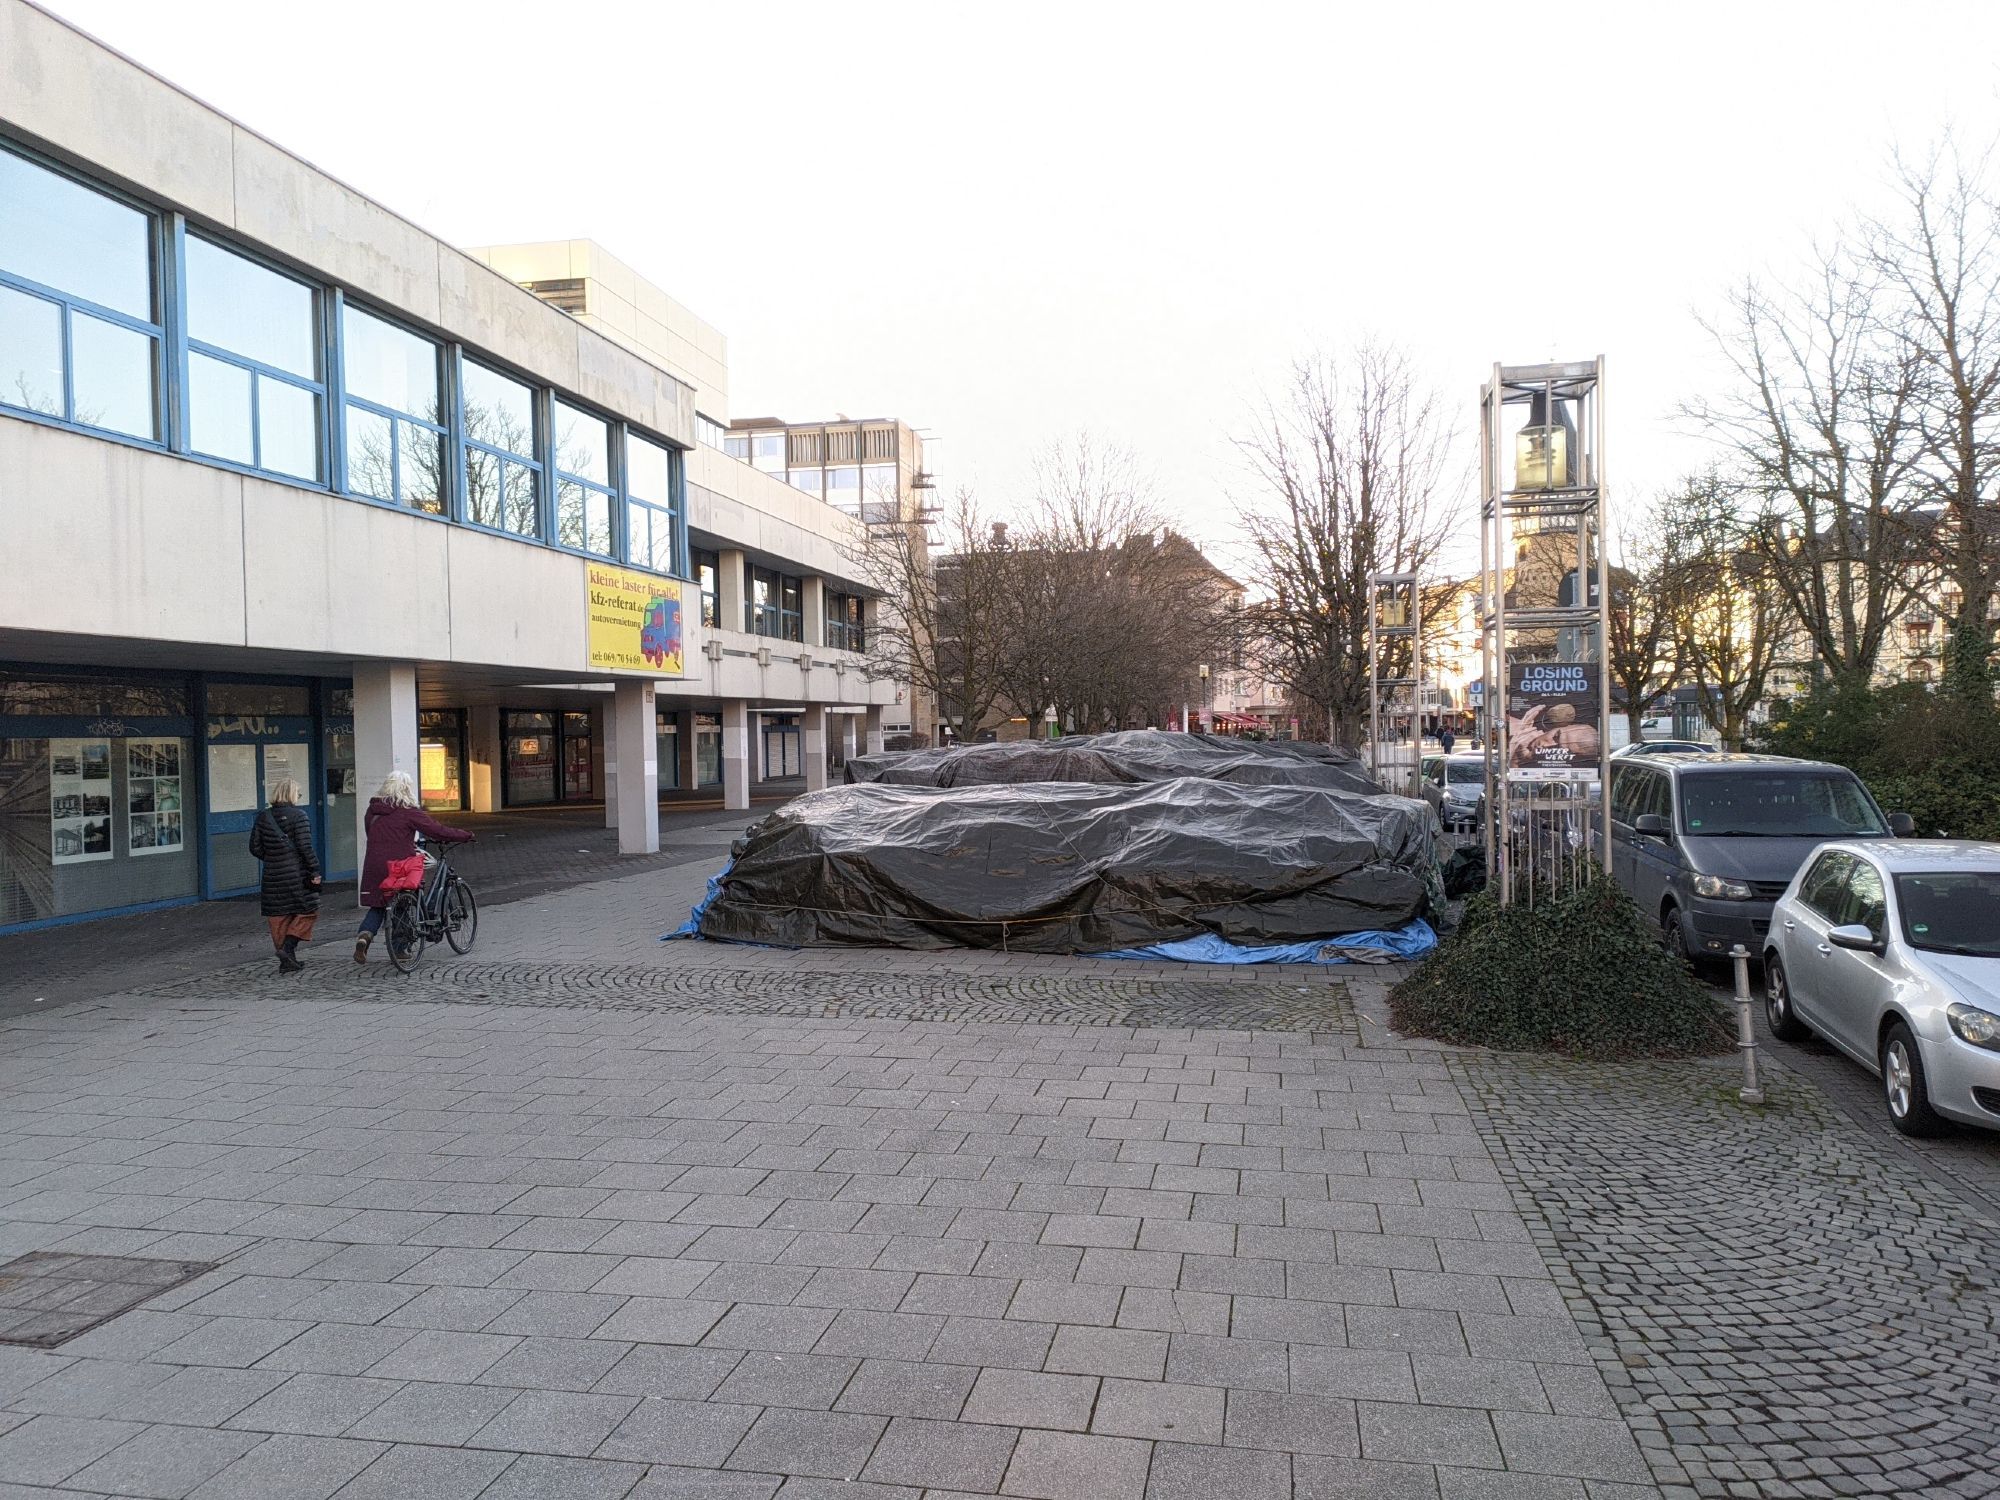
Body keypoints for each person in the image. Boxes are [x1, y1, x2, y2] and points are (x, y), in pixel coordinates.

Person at [354, 771, 473, 963]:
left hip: (374, 865)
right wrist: (464, 835)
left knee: (378, 905)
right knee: (403, 903)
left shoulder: (372, 811)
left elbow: (371, 833)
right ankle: (400, 949)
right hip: (400, 866)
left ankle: (364, 936)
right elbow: (437, 830)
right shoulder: (408, 811)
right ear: (407, 789)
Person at [249, 778, 319, 973]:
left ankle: (287, 960)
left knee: (278, 916)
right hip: (297, 872)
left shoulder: (263, 817)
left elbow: (254, 847)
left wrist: (273, 858)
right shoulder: (299, 816)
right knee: (308, 910)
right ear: (292, 794)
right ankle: (288, 948)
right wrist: (314, 869)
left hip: (272, 874)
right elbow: (305, 846)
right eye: (299, 793)